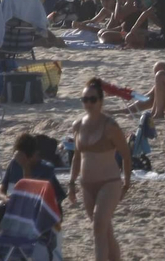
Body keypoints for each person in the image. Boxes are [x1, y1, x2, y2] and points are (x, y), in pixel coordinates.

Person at [68, 77, 131, 261]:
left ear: (101, 101)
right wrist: (71, 184)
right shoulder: (78, 125)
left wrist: (126, 183)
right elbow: (77, 157)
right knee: (104, 230)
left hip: (109, 183)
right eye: (85, 99)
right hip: (86, 185)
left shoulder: (110, 126)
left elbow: (126, 155)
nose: (88, 103)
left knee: (98, 227)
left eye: (92, 99)